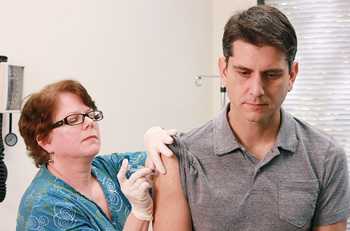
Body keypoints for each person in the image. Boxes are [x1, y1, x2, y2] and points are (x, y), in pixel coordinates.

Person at [145, 5, 350, 231]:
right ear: (224, 71)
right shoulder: (181, 158)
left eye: (271, 75)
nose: (256, 90)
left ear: (292, 75)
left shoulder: (326, 157)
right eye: (244, 72)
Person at [16, 79, 173, 231]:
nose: (90, 122)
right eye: (73, 119)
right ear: (44, 141)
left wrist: (158, 138)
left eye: (91, 115)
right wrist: (140, 213)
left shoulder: (107, 168)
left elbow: (163, 161)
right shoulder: (44, 207)